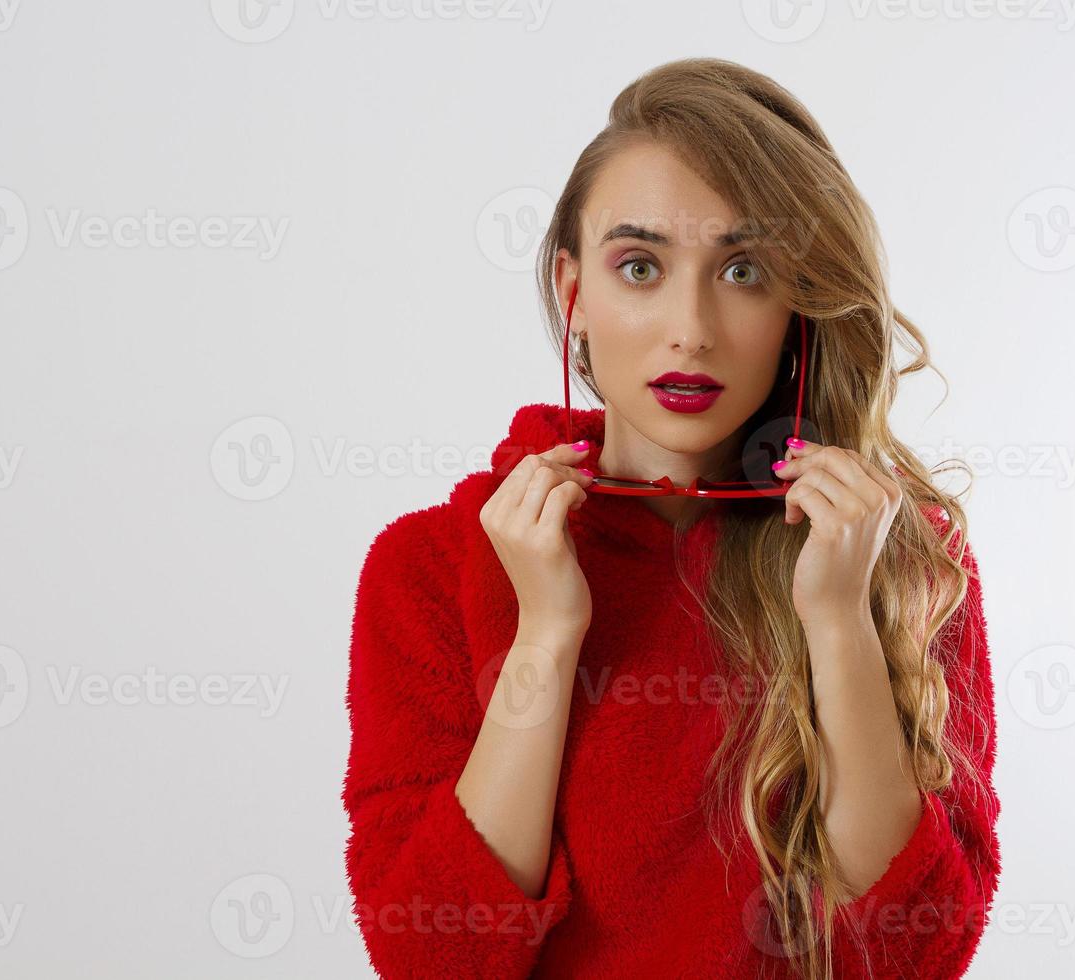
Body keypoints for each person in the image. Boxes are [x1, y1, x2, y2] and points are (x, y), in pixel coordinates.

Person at [342, 57, 1000, 979]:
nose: (690, 327)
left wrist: (839, 621)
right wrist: (547, 632)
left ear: (797, 306)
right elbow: (431, 957)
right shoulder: (429, 564)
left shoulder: (895, 559)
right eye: (640, 266)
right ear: (573, 289)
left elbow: (916, 953)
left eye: (743, 269)